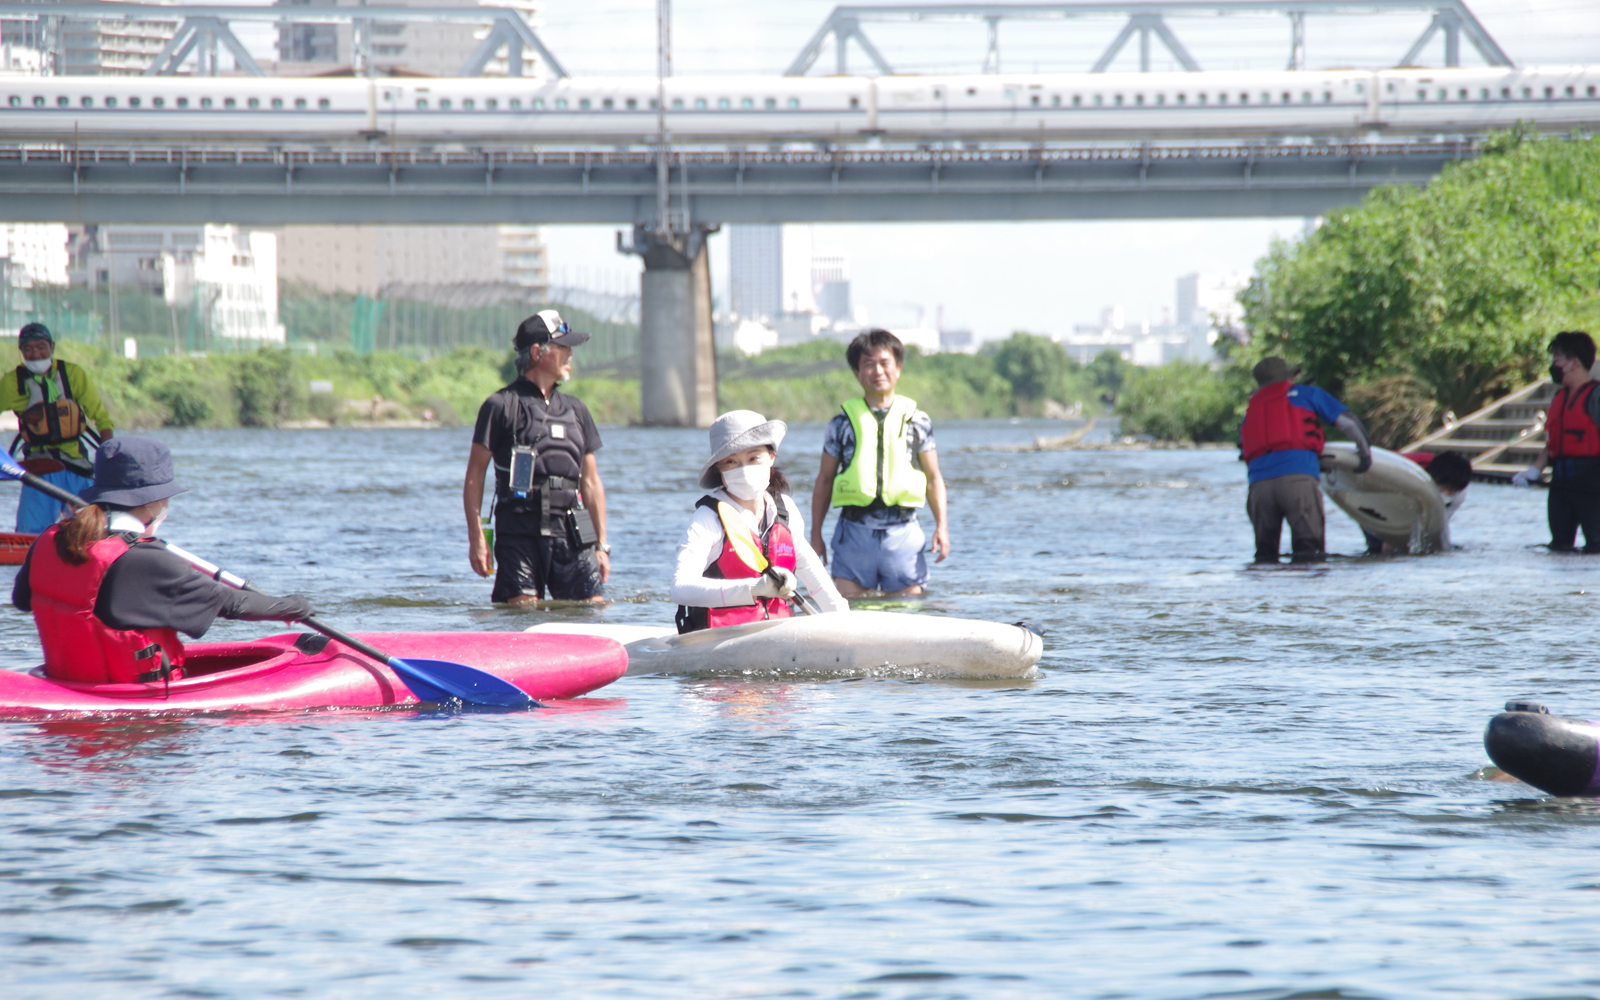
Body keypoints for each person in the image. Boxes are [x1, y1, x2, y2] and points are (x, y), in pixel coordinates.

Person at [11, 436, 312, 685]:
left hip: (63, 683)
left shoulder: (51, 539)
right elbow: (232, 604)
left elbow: (23, 600)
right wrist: (295, 606)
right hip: (136, 712)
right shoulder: (151, 562)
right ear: (153, 501)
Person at [464, 309, 609, 605]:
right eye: (562, 346)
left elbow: (591, 483)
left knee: (592, 609)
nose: (570, 353)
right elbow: (474, 476)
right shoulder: (500, 406)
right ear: (537, 352)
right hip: (518, 533)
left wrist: (602, 546)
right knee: (521, 613)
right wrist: (476, 537)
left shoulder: (577, 410)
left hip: (573, 533)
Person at [673, 410, 848, 632]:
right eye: (731, 462)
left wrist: (845, 623)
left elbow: (814, 577)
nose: (744, 470)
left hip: (780, 634)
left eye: (753, 457)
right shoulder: (707, 518)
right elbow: (679, 588)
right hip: (720, 639)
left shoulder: (785, 510)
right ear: (719, 468)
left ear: (771, 456)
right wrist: (754, 588)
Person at [809, 329, 949, 598]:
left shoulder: (918, 421)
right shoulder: (840, 425)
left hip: (903, 533)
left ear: (898, 368)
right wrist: (816, 534)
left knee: (909, 611)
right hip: (853, 535)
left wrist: (941, 527)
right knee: (850, 609)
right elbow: (824, 480)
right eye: (868, 364)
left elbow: (934, 478)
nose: (878, 371)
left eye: (884, 363)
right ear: (856, 372)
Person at [1240, 355, 1372, 564]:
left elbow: (1245, 449)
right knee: (1309, 555)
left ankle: (1265, 597)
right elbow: (1349, 424)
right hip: (1298, 483)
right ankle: (1304, 597)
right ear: (1289, 377)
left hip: (1259, 488)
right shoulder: (1307, 394)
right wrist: (1365, 456)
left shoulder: (1250, 410)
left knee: (1264, 557)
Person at [0, 322, 115, 533]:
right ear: (21, 351)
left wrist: (109, 458)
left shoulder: (73, 374)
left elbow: (101, 418)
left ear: (52, 347)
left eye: (41, 347)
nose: (36, 354)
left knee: (89, 532)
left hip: (77, 466)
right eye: (29, 349)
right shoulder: (11, 382)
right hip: (39, 470)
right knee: (32, 532)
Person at [1513, 331, 1600, 551]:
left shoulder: (1596, 396)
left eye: (1556, 360)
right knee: (1558, 548)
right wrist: (1534, 470)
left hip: (1592, 485)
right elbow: (1552, 444)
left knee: (1595, 547)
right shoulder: (1559, 398)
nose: (1553, 365)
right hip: (1560, 485)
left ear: (1573, 363)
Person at [1364, 450, 1473, 554]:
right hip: (1375, 498)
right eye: (1443, 489)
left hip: (1408, 503)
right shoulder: (1409, 467)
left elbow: (1439, 526)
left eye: (1451, 491)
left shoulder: (1459, 496)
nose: (1445, 494)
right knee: (1378, 548)